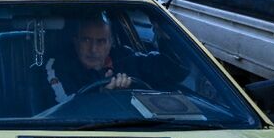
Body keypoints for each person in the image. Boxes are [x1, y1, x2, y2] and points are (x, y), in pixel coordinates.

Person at [44, 12, 186, 105]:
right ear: (75, 41)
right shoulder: (59, 66)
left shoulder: (127, 59)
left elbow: (176, 71)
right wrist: (102, 96)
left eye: (101, 41)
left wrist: (166, 34)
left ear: (110, 43)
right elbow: (63, 107)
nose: (93, 49)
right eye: (86, 40)